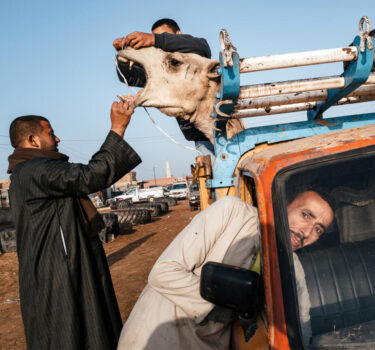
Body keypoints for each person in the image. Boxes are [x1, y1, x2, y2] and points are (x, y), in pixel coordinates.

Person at [118, 190, 334, 349]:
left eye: (318, 229)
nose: (307, 232)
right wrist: (232, 307)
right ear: (283, 202)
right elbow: (163, 273)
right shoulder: (232, 212)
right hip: (157, 338)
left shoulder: (292, 267)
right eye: (305, 215)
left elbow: (302, 318)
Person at [7, 101, 141, 349]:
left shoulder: (25, 173)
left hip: (58, 268)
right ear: (32, 140)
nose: (57, 138)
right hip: (60, 275)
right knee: (73, 334)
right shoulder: (35, 169)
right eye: (50, 133)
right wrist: (118, 128)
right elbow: (90, 176)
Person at [113, 18, 214, 155]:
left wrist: (155, 40)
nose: (160, 45)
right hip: (202, 140)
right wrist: (123, 56)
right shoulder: (164, 71)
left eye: (164, 36)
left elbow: (202, 46)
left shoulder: (193, 57)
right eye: (157, 38)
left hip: (223, 132)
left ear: (178, 35)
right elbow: (130, 77)